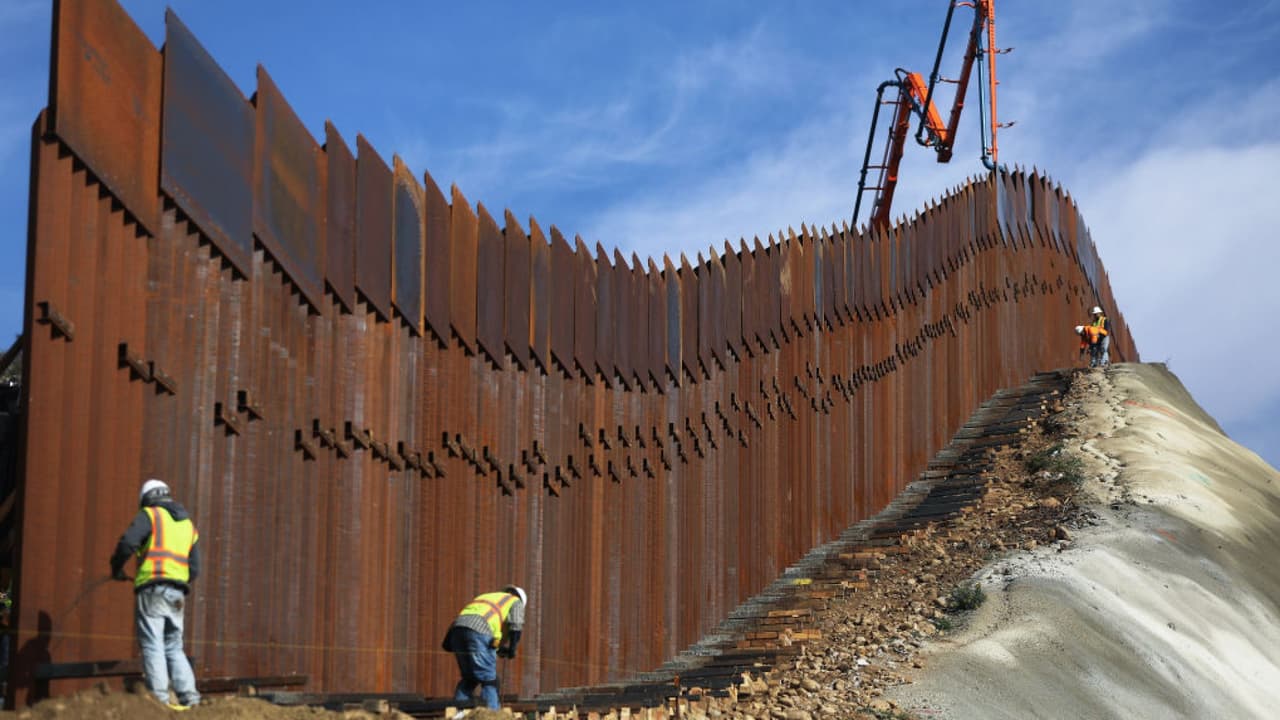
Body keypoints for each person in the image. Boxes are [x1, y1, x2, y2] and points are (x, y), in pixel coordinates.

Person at [109, 479, 201, 709]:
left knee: (152, 644)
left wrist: (116, 568)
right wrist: (177, 580)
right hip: (178, 593)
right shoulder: (187, 525)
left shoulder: (150, 515)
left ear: (146, 499)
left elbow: (128, 543)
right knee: (173, 646)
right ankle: (191, 699)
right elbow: (196, 567)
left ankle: (159, 701)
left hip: (152, 589)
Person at [441, 585, 527, 710]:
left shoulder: (487, 597)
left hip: (456, 631)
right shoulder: (515, 601)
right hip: (479, 631)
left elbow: (469, 618)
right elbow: (516, 626)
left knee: (469, 678)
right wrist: (512, 649)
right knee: (489, 679)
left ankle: (459, 714)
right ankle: (491, 715)